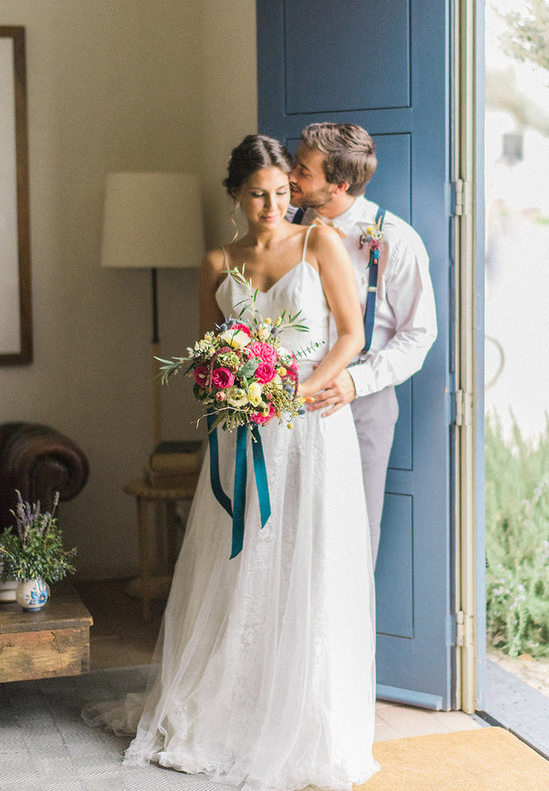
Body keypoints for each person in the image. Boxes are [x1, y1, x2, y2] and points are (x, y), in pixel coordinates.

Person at [84, 135, 378, 791]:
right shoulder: (217, 260)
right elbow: (206, 353)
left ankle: (302, 714)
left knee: (305, 560)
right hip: (239, 433)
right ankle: (228, 708)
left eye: (282, 191)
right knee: (239, 566)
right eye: (258, 193)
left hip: (307, 430)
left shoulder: (319, 243)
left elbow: (352, 334)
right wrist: (227, 386)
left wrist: (294, 394)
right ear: (235, 196)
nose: (273, 204)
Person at [288, 123, 437, 564]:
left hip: (362, 405)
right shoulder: (286, 228)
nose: (290, 177)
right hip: (291, 399)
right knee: (289, 529)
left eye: (302, 170)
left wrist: (357, 382)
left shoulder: (396, 239)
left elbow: (420, 334)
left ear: (339, 184)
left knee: (354, 531)